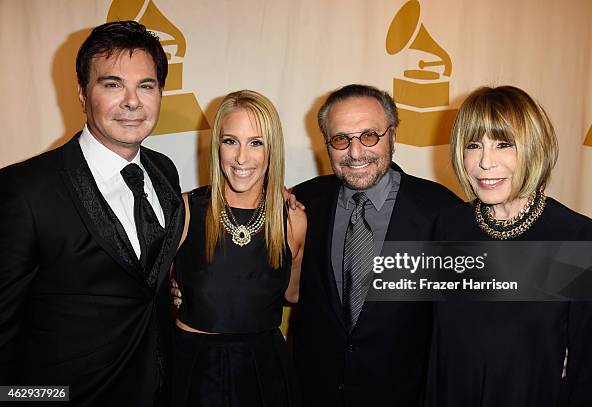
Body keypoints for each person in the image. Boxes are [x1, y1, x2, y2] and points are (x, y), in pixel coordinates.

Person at [0, 21, 184, 406]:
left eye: (146, 86)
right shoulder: (25, 190)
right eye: (112, 84)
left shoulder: (164, 171)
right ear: (83, 94)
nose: (132, 101)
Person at [427, 86, 592, 406]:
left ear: (534, 149)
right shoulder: (448, 226)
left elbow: (587, 370)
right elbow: (437, 345)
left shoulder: (578, 238)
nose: (485, 162)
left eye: (503, 144)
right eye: (473, 145)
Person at [291, 84, 461, 406]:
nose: (355, 152)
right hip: (315, 393)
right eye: (341, 139)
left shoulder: (443, 213)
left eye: (370, 135)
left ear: (393, 136)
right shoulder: (304, 201)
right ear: (327, 144)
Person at [171, 90, 306, 407]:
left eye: (256, 143)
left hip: (264, 370)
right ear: (216, 146)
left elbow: (293, 294)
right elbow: (144, 285)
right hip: (194, 367)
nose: (242, 158)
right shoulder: (187, 210)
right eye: (230, 141)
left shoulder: (293, 222)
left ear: (272, 150)